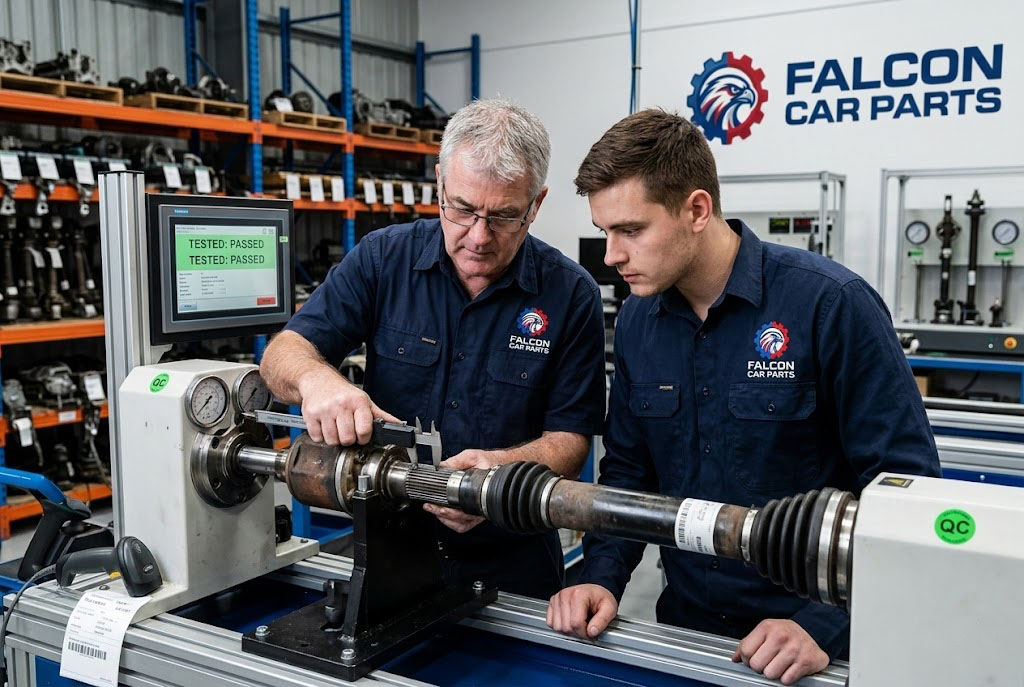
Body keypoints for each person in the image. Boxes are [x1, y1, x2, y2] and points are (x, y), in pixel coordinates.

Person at [546, 109, 940, 684]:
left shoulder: (830, 305)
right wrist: (600, 576)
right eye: (605, 231)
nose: (610, 255)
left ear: (697, 210)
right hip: (685, 629)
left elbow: (907, 488)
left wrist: (826, 623)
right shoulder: (636, 322)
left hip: (807, 647)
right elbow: (630, 472)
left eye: (630, 230)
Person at [261, 99, 606, 599]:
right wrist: (318, 381)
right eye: (463, 209)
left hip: (514, 566)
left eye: (505, 216)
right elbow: (283, 352)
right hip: (389, 554)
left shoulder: (571, 295)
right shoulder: (383, 260)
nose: (479, 237)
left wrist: (498, 475)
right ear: (440, 183)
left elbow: (572, 443)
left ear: (537, 204)